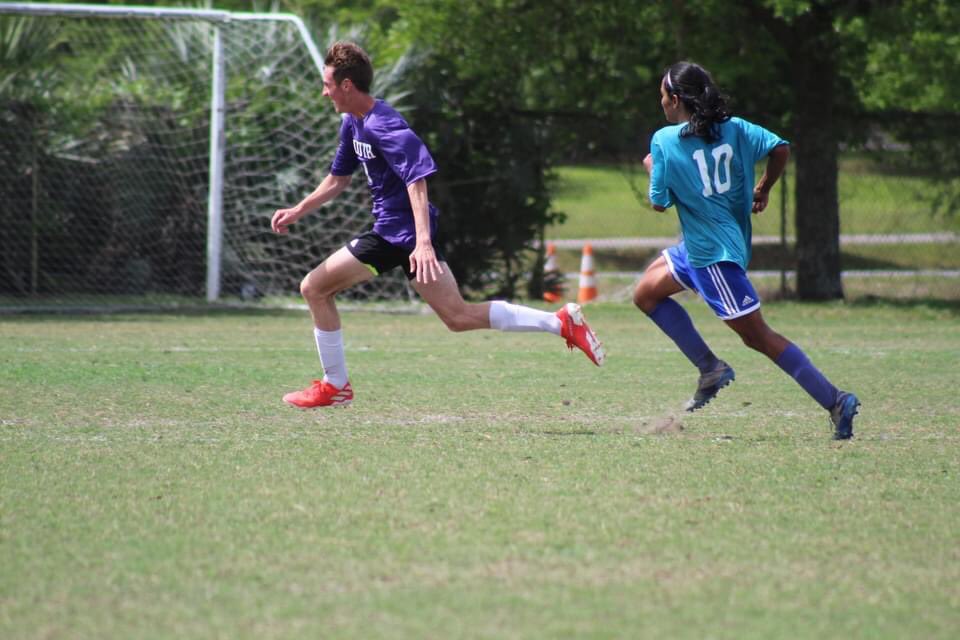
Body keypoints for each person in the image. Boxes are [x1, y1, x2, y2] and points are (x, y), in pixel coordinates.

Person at [271, 41, 604, 408]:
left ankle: (336, 386)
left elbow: (417, 179)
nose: (324, 91)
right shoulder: (353, 123)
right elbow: (339, 178)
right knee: (458, 316)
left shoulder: (385, 123)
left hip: (397, 235)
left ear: (347, 85)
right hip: (402, 237)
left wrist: (423, 242)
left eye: (328, 84)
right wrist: (298, 210)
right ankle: (560, 322)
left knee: (314, 288)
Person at [634, 61, 860, 439]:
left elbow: (659, 203)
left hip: (714, 261)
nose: (661, 104)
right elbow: (780, 148)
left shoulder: (665, 140)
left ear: (675, 99)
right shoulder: (736, 129)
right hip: (702, 247)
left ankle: (836, 399)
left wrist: (651, 166)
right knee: (646, 294)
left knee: (759, 338)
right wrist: (764, 187)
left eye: (662, 96)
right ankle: (711, 369)